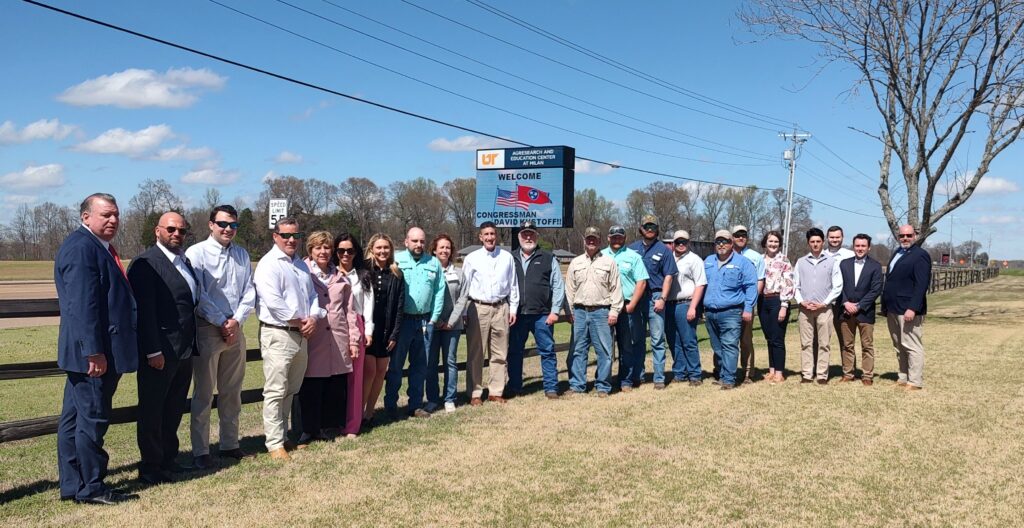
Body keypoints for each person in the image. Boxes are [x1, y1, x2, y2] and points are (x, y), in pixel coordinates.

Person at [55, 193, 139, 505]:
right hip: (92, 355)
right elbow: (82, 305)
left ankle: (73, 484)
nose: (113, 220)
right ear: (86, 217)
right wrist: (93, 351)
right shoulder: (82, 248)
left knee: (74, 420)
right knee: (92, 420)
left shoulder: (95, 246)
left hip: (89, 352)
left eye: (116, 214)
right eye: (106, 215)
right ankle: (91, 487)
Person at [128, 211, 198, 484]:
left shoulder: (184, 261)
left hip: (183, 350)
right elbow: (144, 311)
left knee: (173, 408)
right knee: (152, 410)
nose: (177, 234)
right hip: (160, 351)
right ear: (157, 231)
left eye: (181, 230)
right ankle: (151, 467)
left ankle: (169, 459)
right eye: (171, 229)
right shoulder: (146, 263)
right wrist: (152, 351)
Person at [186, 204, 256, 469]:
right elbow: (198, 294)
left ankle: (230, 444)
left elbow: (249, 291)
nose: (228, 229)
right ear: (211, 224)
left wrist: (236, 321)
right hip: (208, 329)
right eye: (223, 224)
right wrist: (221, 321)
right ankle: (201, 451)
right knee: (204, 393)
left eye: (233, 225)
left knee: (232, 392)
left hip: (235, 330)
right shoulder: (196, 253)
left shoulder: (241, 254)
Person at [253, 218, 325, 461]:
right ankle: (274, 443)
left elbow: (312, 296)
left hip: (300, 334)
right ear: (275, 236)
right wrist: (301, 321)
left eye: (296, 235)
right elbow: (273, 302)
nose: (291, 240)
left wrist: (313, 317)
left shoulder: (301, 265)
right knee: (275, 390)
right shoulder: (268, 264)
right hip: (279, 332)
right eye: (285, 235)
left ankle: (283, 437)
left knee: (290, 390)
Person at [298, 231, 360, 447]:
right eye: (318, 247)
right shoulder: (302, 272)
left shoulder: (341, 278)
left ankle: (330, 426)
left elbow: (350, 311)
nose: (323, 252)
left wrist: (353, 340)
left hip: (338, 337)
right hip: (313, 338)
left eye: (326, 247)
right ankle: (309, 429)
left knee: (335, 384)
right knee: (312, 384)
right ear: (310, 250)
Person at [450, 222, 519, 405]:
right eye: (486, 234)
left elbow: (513, 284)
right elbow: (465, 287)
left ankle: (496, 391)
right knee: (476, 353)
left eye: (492, 234)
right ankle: (475, 393)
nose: (489, 237)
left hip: (501, 307)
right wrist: (464, 311)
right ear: (480, 237)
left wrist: (512, 308)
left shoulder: (506, 257)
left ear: (497, 236)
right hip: (478, 307)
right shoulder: (472, 258)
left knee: (500, 353)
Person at [387, 227, 446, 416]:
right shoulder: (396, 260)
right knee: (396, 366)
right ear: (406, 242)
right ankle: (390, 406)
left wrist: (434, 318)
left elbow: (439, 291)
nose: (418, 244)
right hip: (402, 322)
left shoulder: (433, 263)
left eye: (421, 241)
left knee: (420, 366)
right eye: (414, 241)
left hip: (424, 321)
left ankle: (415, 405)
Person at [509, 221, 565, 399]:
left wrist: (555, 311)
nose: (528, 237)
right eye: (524, 234)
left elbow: (558, 286)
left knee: (547, 351)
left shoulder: (548, 258)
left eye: (531, 234)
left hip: (542, 315)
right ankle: (515, 387)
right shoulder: (510, 258)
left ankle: (551, 388)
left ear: (537, 236)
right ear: (519, 237)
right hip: (517, 315)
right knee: (514, 352)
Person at [565, 227, 623, 397]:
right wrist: (569, 310)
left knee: (604, 351)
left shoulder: (609, 262)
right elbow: (569, 289)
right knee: (578, 350)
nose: (591, 241)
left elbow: (616, 288)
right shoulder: (576, 262)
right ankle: (577, 385)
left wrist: (614, 311)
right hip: (579, 311)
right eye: (589, 238)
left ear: (599, 241)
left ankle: (603, 386)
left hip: (601, 312)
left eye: (594, 239)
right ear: (584, 241)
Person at [703, 230, 758, 390]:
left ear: (731, 243)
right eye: (718, 242)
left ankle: (729, 379)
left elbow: (751, 286)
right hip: (710, 311)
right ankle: (722, 374)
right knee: (717, 346)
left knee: (729, 345)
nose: (721, 245)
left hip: (732, 312)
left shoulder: (743, 263)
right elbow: (701, 285)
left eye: (725, 241)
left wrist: (748, 308)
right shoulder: (708, 261)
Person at [628, 214, 677, 389]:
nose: (650, 229)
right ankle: (637, 376)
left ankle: (659, 378)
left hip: (655, 298)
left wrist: (663, 298)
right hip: (636, 298)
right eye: (647, 226)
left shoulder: (664, 250)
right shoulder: (631, 249)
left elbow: (669, 276)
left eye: (653, 227)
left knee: (657, 340)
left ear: (657, 229)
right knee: (636, 339)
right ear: (641, 229)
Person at [881, 225, 931, 390]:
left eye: (909, 235)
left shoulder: (920, 255)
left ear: (915, 236)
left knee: (912, 345)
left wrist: (913, 308)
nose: (905, 238)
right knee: (899, 344)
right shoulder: (897, 252)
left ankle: (915, 381)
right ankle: (903, 376)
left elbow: (921, 284)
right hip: (893, 307)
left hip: (908, 309)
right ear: (898, 237)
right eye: (902, 235)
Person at [363, 233, 404, 423]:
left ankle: (369, 412)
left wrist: (394, 334)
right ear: (372, 249)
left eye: (386, 247)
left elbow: (399, 307)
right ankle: (358, 413)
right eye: (379, 247)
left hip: (386, 330)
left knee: (380, 372)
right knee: (369, 371)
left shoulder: (396, 274)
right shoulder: (363, 270)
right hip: (367, 329)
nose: (382, 251)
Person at [793, 228, 843, 385]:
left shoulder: (832, 262)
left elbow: (837, 286)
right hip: (805, 310)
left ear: (823, 242)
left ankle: (822, 375)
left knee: (824, 343)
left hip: (824, 309)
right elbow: (795, 285)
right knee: (806, 343)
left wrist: (824, 303)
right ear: (808, 243)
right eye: (812, 241)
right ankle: (807, 374)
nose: (815, 244)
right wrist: (801, 301)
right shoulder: (801, 262)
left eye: (818, 241)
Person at [602, 225, 648, 391]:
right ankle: (604, 380)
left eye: (620, 237)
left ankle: (626, 380)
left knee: (627, 345)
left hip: (627, 306)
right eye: (614, 237)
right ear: (608, 238)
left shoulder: (633, 256)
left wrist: (632, 304)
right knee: (604, 346)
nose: (617, 239)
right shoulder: (601, 255)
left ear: (625, 238)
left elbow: (641, 282)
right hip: (605, 307)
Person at [335, 232, 372, 435]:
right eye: (341, 250)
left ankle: (352, 425)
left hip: (357, 325)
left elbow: (368, 305)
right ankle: (334, 422)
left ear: (356, 252)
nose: (345, 254)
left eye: (350, 250)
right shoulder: (330, 274)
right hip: (333, 327)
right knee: (335, 378)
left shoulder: (362, 276)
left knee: (355, 379)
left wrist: (369, 331)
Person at [838, 234, 883, 385]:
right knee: (847, 345)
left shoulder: (875, 266)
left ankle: (867, 376)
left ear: (869, 247)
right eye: (857, 245)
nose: (860, 248)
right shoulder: (844, 264)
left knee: (867, 346)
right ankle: (848, 373)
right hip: (845, 311)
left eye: (863, 246)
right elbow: (838, 286)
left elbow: (875, 290)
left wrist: (859, 306)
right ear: (853, 246)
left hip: (865, 312)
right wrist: (845, 302)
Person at [663, 230, 706, 386]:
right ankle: (680, 372)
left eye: (684, 242)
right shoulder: (668, 258)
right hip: (669, 304)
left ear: (689, 243)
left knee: (688, 341)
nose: (681, 245)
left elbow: (700, 284)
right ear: (673, 243)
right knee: (673, 341)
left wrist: (693, 307)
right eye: (678, 242)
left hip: (685, 304)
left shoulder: (694, 260)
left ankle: (695, 374)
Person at [429, 234, 463, 412]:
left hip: (452, 326)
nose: (444, 250)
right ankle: (432, 399)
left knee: (450, 361)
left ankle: (450, 398)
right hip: (432, 324)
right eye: (441, 247)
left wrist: (450, 321)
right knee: (431, 363)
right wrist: (437, 321)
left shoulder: (459, 273)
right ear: (434, 250)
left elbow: (463, 298)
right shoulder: (428, 271)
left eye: (448, 247)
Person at [759, 230, 795, 384]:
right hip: (762, 301)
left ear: (779, 244)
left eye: (776, 242)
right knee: (769, 338)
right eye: (770, 241)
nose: (773, 244)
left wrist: (784, 306)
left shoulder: (784, 260)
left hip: (777, 300)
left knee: (777, 338)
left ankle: (779, 372)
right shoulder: (760, 260)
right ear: (765, 243)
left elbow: (789, 283)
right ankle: (772, 370)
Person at [731, 225, 765, 384]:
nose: (741, 238)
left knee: (745, 340)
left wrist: (750, 303)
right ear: (732, 237)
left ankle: (748, 373)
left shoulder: (755, 257)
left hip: (746, 304)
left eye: (743, 235)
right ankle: (726, 371)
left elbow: (760, 280)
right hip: (730, 304)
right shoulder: (726, 255)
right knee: (728, 340)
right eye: (737, 235)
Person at [826, 226, 856, 350]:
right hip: (825, 303)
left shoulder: (850, 255)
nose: (834, 240)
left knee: (846, 341)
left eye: (837, 237)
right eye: (832, 237)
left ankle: (848, 364)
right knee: (821, 340)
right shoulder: (822, 255)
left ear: (842, 237)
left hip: (844, 303)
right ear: (827, 238)